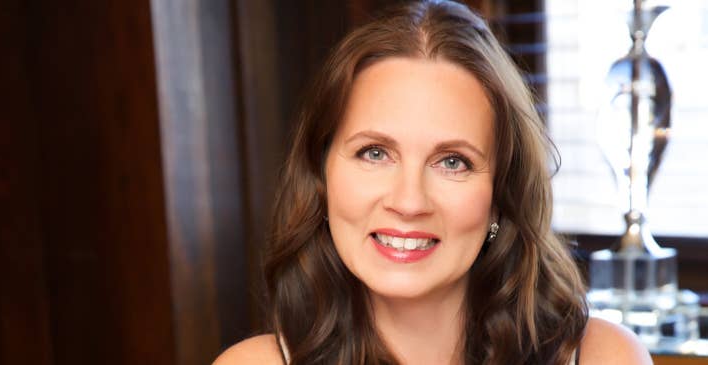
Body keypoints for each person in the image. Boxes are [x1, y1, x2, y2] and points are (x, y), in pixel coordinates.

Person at [215, 1, 653, 364]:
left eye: (452, 162)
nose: (409, 201)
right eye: (375, 153)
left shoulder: (604, 356)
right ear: (321, 174)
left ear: (501, 196)